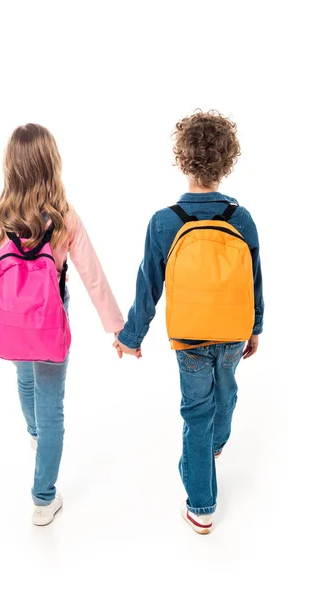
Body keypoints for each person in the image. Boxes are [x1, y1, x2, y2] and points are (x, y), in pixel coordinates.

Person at [114, 110, 264, 534]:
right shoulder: (242, 218)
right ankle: (214, 446)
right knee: (227, 392)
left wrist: (131, 335)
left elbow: (149, 286)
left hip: (190, 336)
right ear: (227, 162)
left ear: (182, 161)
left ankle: (201, 506)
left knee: (196, 413)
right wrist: (255, 326)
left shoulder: (164, 221)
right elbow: (254, 279)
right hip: (234, 330)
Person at [0, 124, 124, 526]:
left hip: (8, 319)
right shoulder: (63, 217)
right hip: (48, 316)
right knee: (51, 404)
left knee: (24, 379)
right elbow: (92, 275)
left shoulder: (0, 215)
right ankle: (44, 499)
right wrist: (116, 326)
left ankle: (34, 432)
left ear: (12, 165)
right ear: (50, 162)